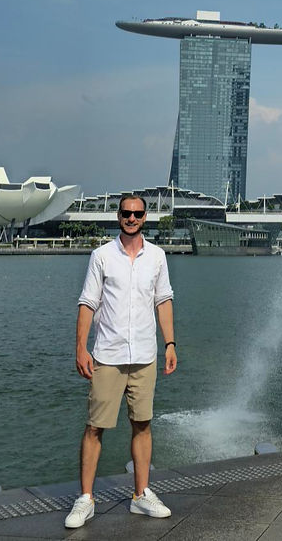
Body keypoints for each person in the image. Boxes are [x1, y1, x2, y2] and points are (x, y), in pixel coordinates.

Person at [64, 194, 178, 529]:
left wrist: (170, 344)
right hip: (108, 355)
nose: (131, 218)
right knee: (94, 426)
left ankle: (141, 494)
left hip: (144, 355)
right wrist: (81, 348)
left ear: (145, 217)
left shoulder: (156, 256)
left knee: (142, 424)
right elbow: (87, 302)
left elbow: (163, 301)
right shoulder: (101, 256)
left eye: (137, 213)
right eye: (126, 213)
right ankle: (86, 499)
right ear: (118, 216)